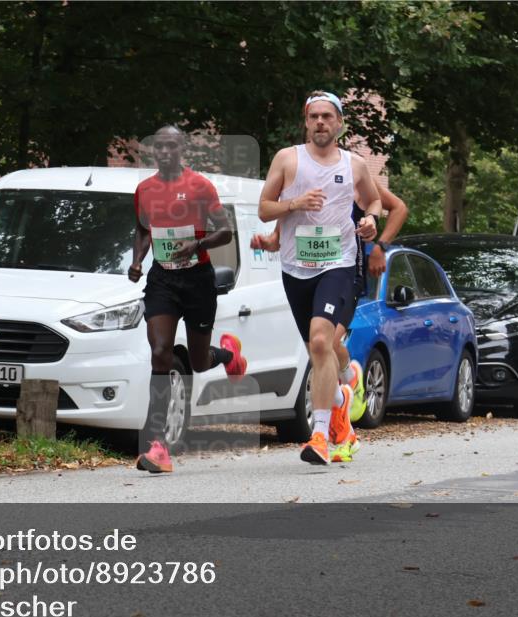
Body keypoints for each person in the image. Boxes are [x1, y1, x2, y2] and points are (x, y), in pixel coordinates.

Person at [251, 91, 381, 465]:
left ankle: (320, 436)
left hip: (338, 263)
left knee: (321, 340)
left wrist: (371, 220)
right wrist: (293, 204)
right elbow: (263, 209)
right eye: (314, 117)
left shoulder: (355, 165)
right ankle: (343, 392)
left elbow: (373, 202)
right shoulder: (288, 159)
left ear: (339, 123)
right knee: (318, 350)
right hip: (295, 269)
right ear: (306, 122)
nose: (321, 122)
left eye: (328, 116)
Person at [128, 125, 249, 474]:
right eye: (159, 148)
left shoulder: (199, 186)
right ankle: (157, 444)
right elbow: (142, 229)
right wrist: (137, 260)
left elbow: (225, 231)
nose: (164, 153)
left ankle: (227, 354)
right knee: (160, 351)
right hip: (162, 278)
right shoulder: (145, 190)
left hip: (197, 280)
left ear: (182, 149)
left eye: (171, 147)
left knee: (197, 361)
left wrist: (198, 244)